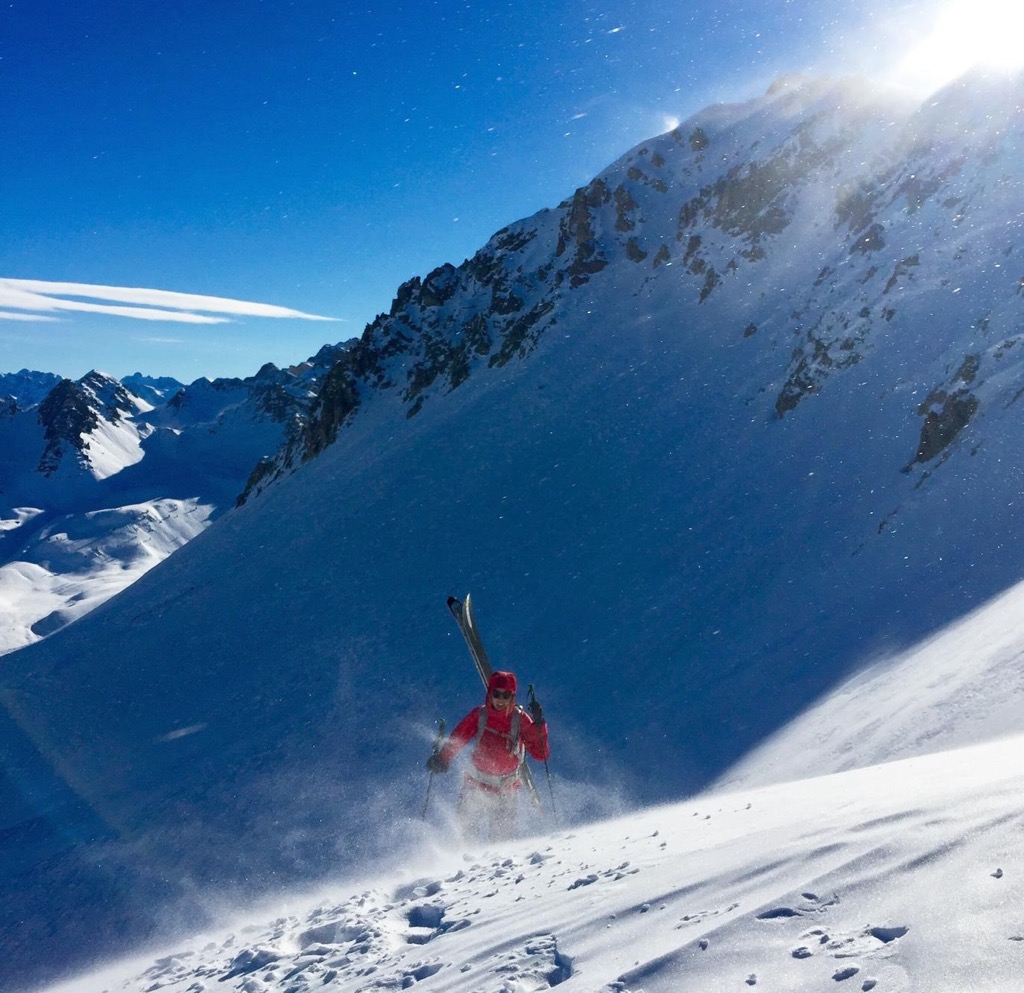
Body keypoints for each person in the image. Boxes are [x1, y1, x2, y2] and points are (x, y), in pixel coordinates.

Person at [426, 670, 549, 841]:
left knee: (501, 844)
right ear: (489, 693)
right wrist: (442, 758)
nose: (500, 699)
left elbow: (540, 754)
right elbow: (458, 738)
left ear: (512, 697)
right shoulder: (479, 715)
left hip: (506, 790)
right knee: (465, 837)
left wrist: (539, 726)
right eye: (496, 694)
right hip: (475, 785)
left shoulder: (520, 719)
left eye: (506, 695)